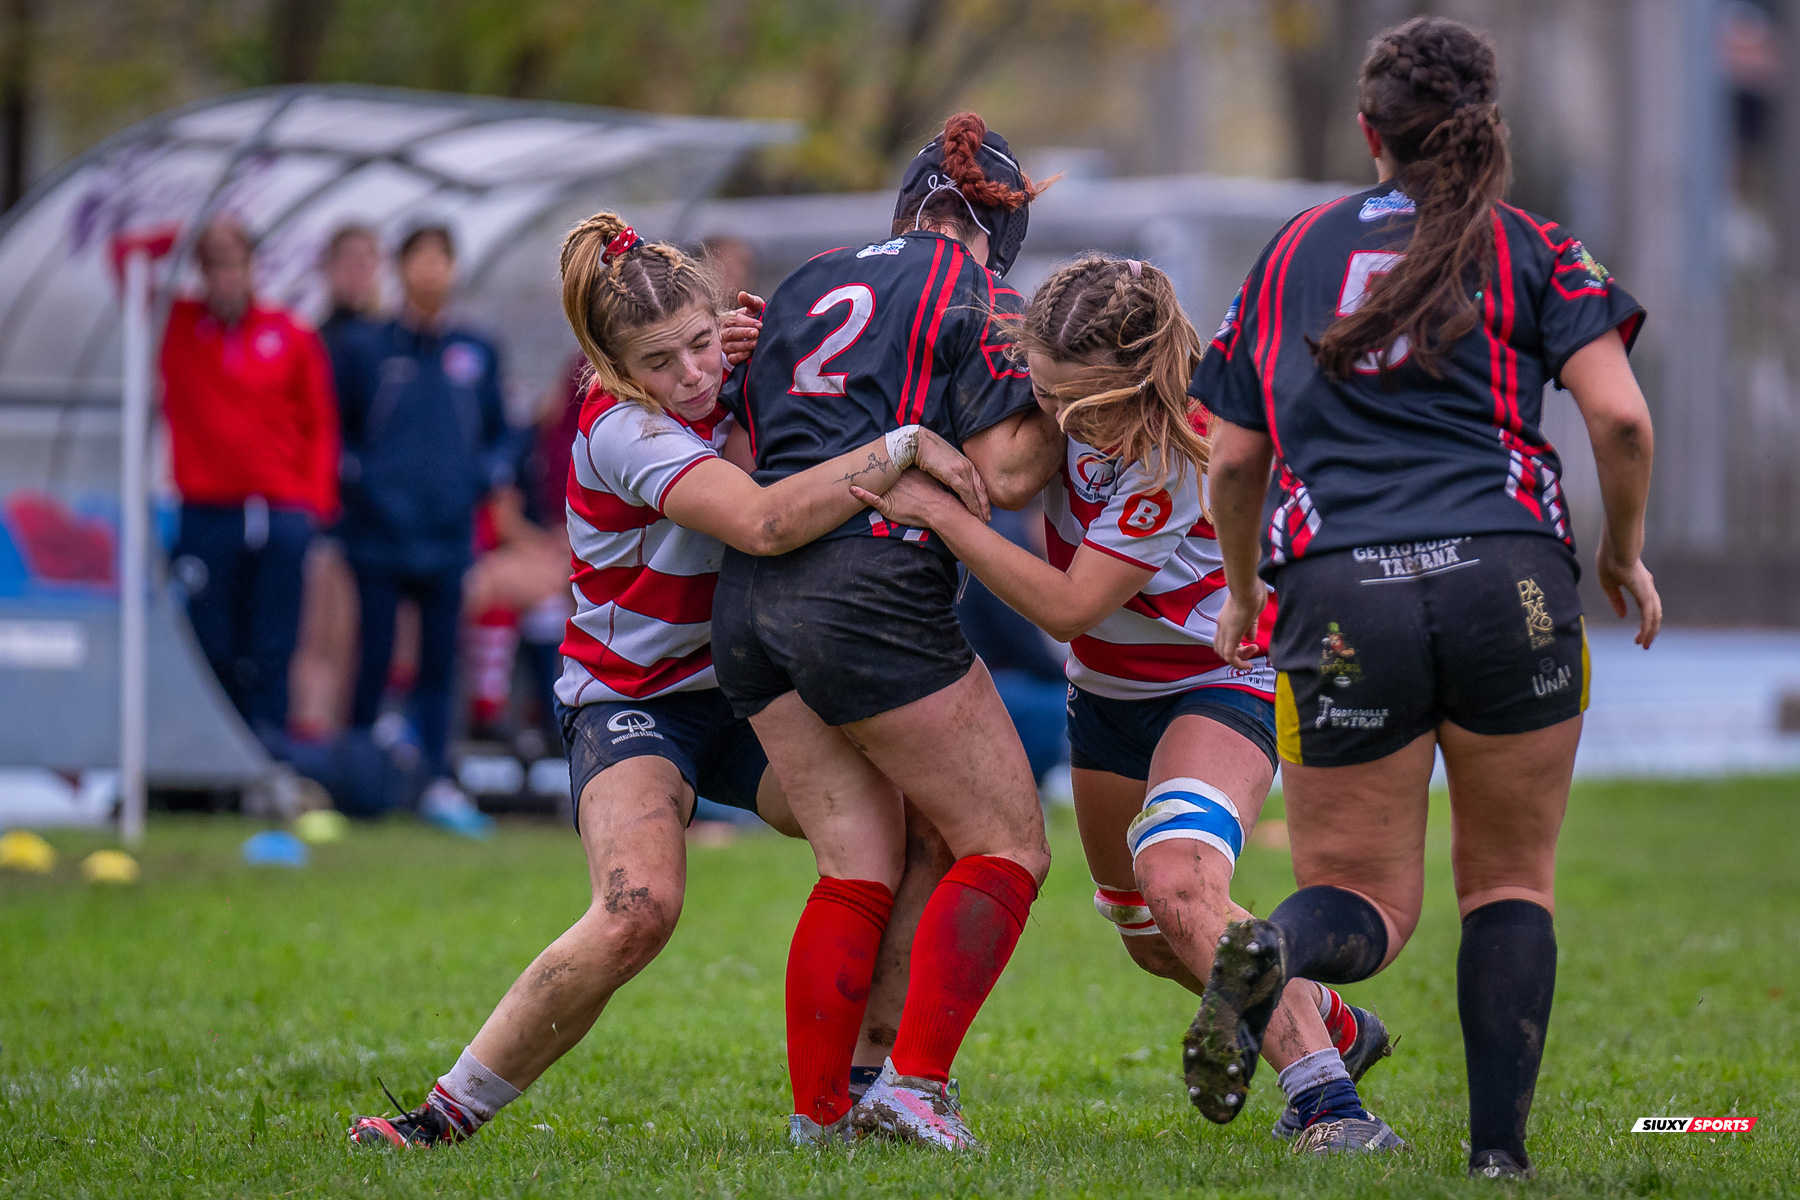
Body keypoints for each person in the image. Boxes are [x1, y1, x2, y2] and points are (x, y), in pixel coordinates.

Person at [348, 211, 985, 1149]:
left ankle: (867, 1092)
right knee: (637, 909)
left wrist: (777, 347)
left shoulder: (732, 375)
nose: (692, 375)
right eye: (661, 362)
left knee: (915, 828)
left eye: (700, 344)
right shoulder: (620, 433)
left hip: (744, 690)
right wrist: (905, 445)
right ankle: (443, 1115)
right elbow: (765, 523)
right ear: (613, 370)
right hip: (632, 700)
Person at [1183, 17, 1658, 1179]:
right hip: (1513, 583)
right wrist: (1621, 554)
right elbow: (1622, 417)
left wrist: (1244, 590)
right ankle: (1498, 1156)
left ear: (1368, 133)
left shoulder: (1292, 249)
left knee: (1359, 896)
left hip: (1342, 590)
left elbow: (1233, 460)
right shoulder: (1536, 245)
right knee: (1507, 881)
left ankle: (1272, 950)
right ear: (1484, 123)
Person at [855, 253, 1403, 1153]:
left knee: (1180, 881)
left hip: (1218, 680)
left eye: (1091, 406)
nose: (1067, 423)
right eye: (1049, 397)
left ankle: (1332, 1109)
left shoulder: (1184, 444)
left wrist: (949, 517)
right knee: (1152, 936)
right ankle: (1333, 1026)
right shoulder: (1055, 394)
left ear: (1143, 378)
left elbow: (1069, 608)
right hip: (1106, 696)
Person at [713, 111, 1066, 1150]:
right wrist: (1073, 396)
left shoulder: (800, 281)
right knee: (1008, 843)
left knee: (866, 857)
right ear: (995, 234)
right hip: (869, 586)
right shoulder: (978, 292)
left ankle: (828, 1110)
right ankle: (915, 1085)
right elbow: (1002, 476)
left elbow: (749, 413)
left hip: (752, 592)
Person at [330, 223, 512, 835]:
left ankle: (435, 781)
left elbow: (499, 435)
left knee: (440, 664)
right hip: (378, 537)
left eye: (442, 258)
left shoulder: (477, 349)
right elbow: (341, 436)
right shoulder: (366, 347)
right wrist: (366, 490)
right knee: (375, 657)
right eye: (420, 259)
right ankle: (356, 782)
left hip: (447, 537)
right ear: (401, 269)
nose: (432, 270)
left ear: (454, 269)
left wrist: (484, 478)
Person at [160, 217, 339, 746]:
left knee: (272, 646)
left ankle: (267, 757)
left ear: (251, 267)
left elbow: (320, 423)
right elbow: (125, 261)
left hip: (279, 513)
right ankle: (210, 758)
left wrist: (314, 510)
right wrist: (188, 234)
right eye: (213, 263)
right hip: (206, 512)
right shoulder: (177, 327)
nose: (225, 275)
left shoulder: (288, 333)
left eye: (233, 261)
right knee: (209, 643)